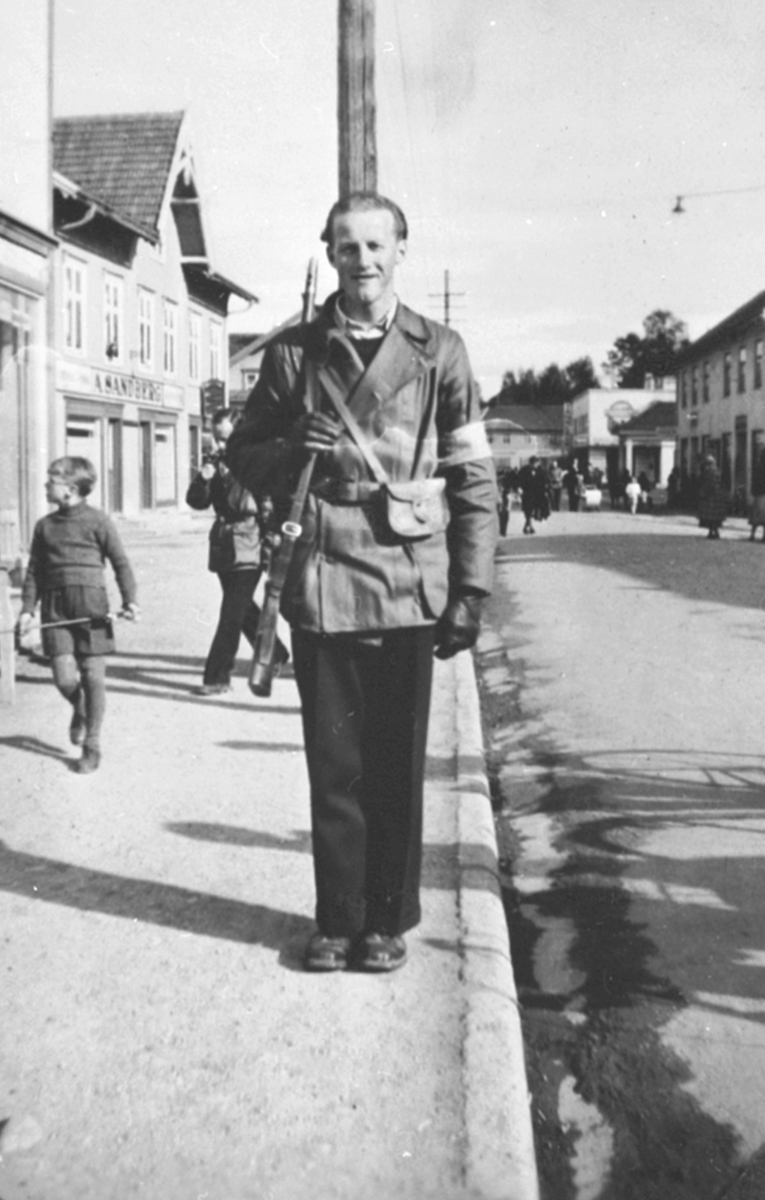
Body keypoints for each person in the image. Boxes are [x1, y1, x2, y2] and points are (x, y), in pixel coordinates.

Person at [226, 191, 496, 973]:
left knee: (395, 761)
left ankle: (386, 919)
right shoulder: (292, 353)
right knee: (333, 764)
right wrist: (288, 452)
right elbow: (243, 449)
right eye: (346, 246)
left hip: (411, 575)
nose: (362, 260)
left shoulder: (439, 350)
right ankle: (336, 920)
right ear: (329, 254)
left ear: (400, 250)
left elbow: (472, 475)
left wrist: (470, 589)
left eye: (376, 245)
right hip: (322, 573)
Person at [17, 457, 140, 774]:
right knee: (63, 677)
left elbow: (120, 562)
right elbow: (34, 572)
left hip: (92, 605)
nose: (45, 485)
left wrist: (130, 600)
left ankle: (93, 744)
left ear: (70, 489)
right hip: (55, 607)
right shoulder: (44, 526)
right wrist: (28, 609)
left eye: (51, 480)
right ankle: (80, 707)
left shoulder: (98, 521)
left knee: (93, 675)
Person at [186, 407, 288, 695]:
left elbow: (270, 507)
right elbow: (196, 502)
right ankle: (276, 653)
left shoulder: (256, 464)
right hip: (223, 546)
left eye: (225, 439)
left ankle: (217, 677)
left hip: (250, 544)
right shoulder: (217, 465)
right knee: (241, 610)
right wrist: (203, 479)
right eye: (216, 439)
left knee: (231, 613)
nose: (219, 445)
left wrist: (273, 546)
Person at [517, 456, 550, 534]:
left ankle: (528, 526)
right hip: (526, 492)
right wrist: (519, 487)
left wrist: (545, 488)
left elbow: (546, 480)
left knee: (532, 510)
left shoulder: (540, 470)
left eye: (537, 463)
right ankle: (529, 526)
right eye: (536, 463)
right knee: (527, 509)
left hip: (536, 493)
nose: (537, 464)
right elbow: (519, 480)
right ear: (532, 463)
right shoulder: (524, 470)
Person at [697, 453, 726, 539]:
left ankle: (711, 532)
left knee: (710, 516)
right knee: (715, 516)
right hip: (718, 496)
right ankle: (715, 532)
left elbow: (709, 484)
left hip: (710, 496)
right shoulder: (718, 471)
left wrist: (703, 492)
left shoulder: (709, 472)